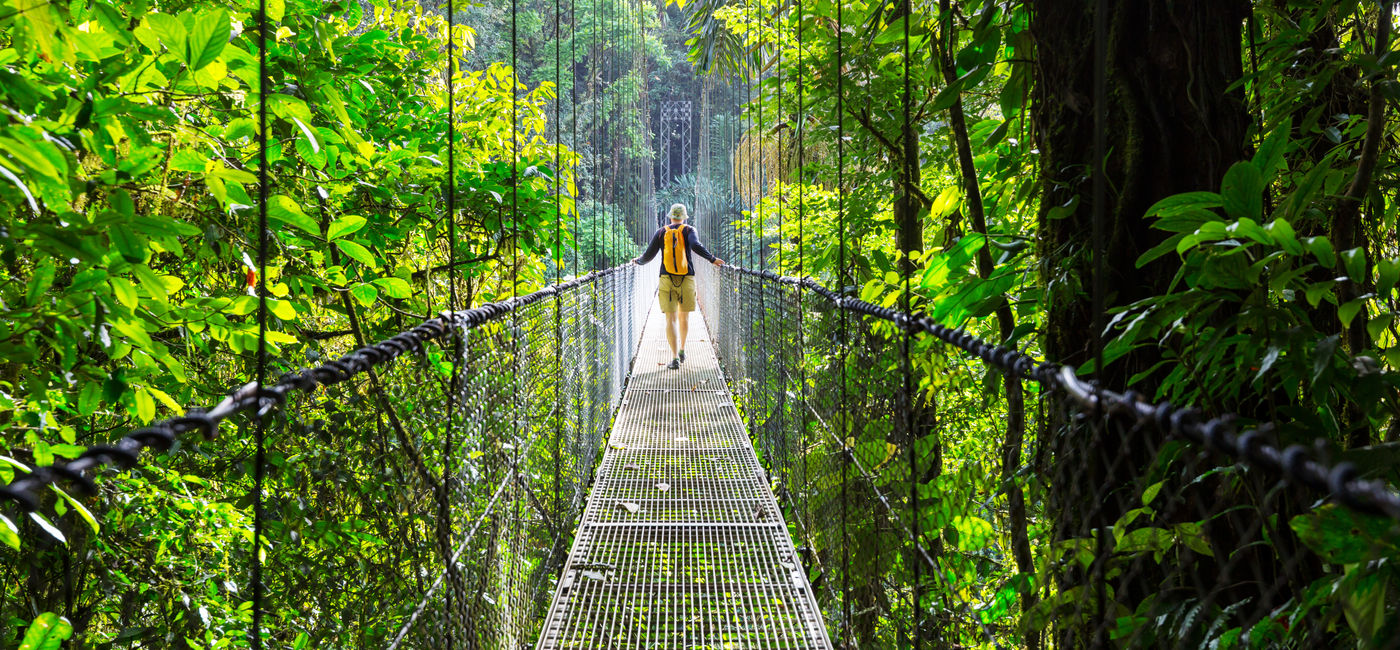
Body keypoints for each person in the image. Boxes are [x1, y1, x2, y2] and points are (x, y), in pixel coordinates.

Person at [632, 203, 724, 369]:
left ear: (670, 216)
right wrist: (712, 259)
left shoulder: (661, 232)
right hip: (686, 278)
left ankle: (674, 358)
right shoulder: (689, 230)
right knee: (684, 317)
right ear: (684, 217)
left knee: (670, 318)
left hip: (666, 278)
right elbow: (695, 246)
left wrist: (638, 261)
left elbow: (649, 255)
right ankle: (682, 350)